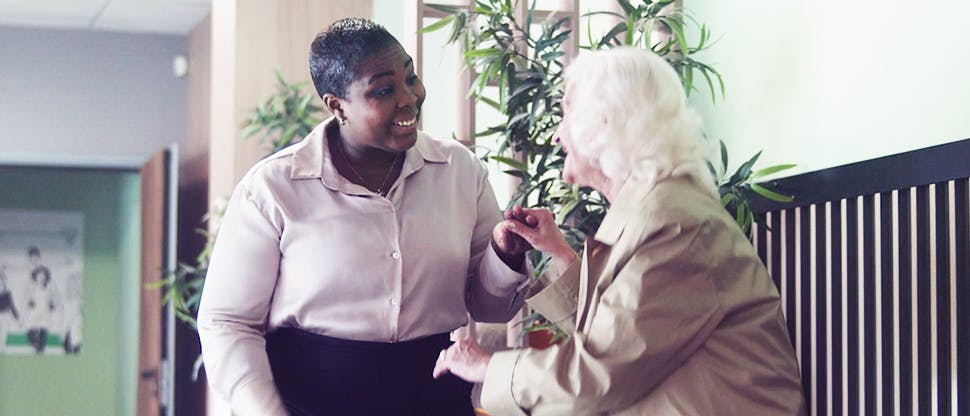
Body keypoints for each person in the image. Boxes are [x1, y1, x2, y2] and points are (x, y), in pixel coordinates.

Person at [433, 47, 807, 415]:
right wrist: (560, 255)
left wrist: (489, 367)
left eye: (567, 114)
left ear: (604, 124)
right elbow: (630, 327)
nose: (557, 135)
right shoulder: (659, 207)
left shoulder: (674, 224)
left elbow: (598, 374)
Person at [197, 17, 532, 416]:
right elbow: (227, 322)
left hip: (433, 401)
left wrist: (504, 256)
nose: (408, 98)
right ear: (337, 106)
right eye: (384, 90)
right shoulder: (272, 188)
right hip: (308, 403)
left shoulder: (459, 170)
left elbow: (492, 308)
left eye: (411, 78)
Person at [0, 264, 21, 352]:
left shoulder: (7, 292)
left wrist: (17, 318)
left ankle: (2, 348)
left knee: (3, 333)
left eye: (2, 280)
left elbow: (12, 306)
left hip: (5, 315)